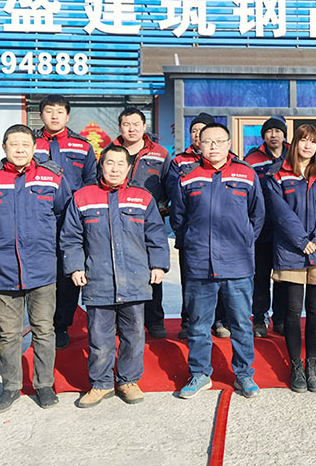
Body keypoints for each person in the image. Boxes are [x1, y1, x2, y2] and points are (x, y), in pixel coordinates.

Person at [0, 124, 72, 413]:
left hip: (42, 267)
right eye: (14, 144)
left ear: (34, 148)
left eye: (25, 144)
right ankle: (10, 387)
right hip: (2, 269)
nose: (20, 149)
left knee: (44, 329)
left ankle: (44, 384)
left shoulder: (52, 177)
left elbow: (64, 213)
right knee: (8, 333)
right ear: (4, 148)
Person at [60, 145, 170, 408]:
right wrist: (75, 267)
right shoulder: (83, 197)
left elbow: (156, 235)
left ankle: (128, 381)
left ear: (129, 168)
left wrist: (158, 266)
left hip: (135, 278)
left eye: (121, 163)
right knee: (100, 337)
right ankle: (101, 383)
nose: (115, 168)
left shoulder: (142, 198)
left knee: (134, 334)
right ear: (101, 166)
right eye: (110, 163)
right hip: (98, 279)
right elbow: (71, 237)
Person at [171, 123, 265, 399]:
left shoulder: (246, 174)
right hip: (199, 263)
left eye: (218, 141)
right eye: (207, 141)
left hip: (237, 264)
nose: (213, 146)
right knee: (199, 324)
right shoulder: (188, 176)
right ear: (198, 145)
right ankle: (200, 374)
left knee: (241, 323)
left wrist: (244, 239)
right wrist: (192, 241)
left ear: (229, 144)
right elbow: (178, 218)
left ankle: (244, 374)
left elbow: (257, 215)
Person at [265, 124, 316, 393]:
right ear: (294, 143)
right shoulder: (277, 175)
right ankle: (296, 365)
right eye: (303, 141)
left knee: (315, 311)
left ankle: (312, 364)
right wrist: (301, 241)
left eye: (313, 142)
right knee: (293, 311)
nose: (308, 146)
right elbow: (280, 212)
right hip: (291, 251)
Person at [32, 94, 98, 350]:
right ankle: (41, 324)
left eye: (60, 111)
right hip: (38, 217)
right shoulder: (29, 143)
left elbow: (90, 180)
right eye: (49, 111)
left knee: (69, 271)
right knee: (40, 271)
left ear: (68, 116)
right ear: (41, 115)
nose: (54, 116)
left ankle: (61, 325)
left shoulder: (82, 145)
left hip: (71, 218)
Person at [105, 107, 172, 340]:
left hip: (149, 221)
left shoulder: (160, 154)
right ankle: (118, 319)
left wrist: (162, 208)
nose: (131, 129)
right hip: (116, 220)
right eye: (126, 124)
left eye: (136, 124)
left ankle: (154, 319)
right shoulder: (110, 152)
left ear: (144, 126)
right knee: (117, 267)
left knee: (154, 268)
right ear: (120, 127)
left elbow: (169, 185)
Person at [167, 112, 229, 340]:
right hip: (192, 235)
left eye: (202, 130)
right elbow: (175, 198)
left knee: (222, 280)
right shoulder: (179, 161)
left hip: (224, 236)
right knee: (190, 281)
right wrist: (183, 234)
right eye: (194, 131)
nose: (197, 135)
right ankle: (188, 320)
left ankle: (220, 320)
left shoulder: (228, 160)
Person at [245, 116, 289, 338]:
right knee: (260, 277)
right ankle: (260, 318)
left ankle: (280, 319)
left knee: (283, 276)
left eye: (278, 131)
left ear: (284, 134)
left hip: (286, 229)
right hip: (262, 227)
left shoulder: (293, 154)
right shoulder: (252, 158)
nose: (274, 135)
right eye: (269, 131)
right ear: (263, 135)